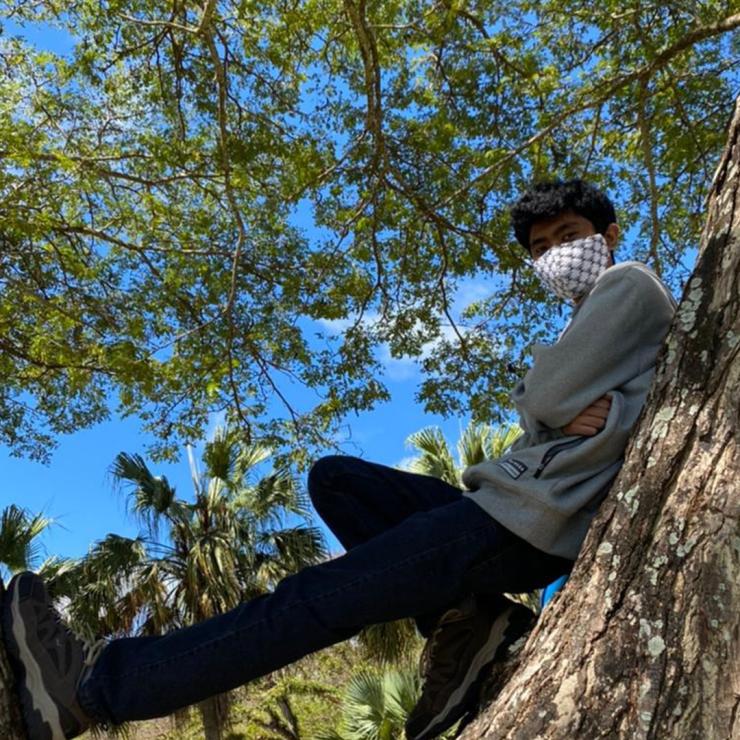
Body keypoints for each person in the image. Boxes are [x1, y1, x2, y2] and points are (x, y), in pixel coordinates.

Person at [2, 180, 677, 740]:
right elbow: (558, 404)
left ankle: (94, 691)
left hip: (524, 521)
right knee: (337, 480)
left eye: (569, 235)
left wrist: (549, 404)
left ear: (608, 233)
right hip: (502, 504)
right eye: (540, 247)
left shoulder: (629, 283)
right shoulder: (586, 320)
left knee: (314, 601)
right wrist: (558, 407)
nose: (556, 254)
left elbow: (547, 395)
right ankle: (471, 621)